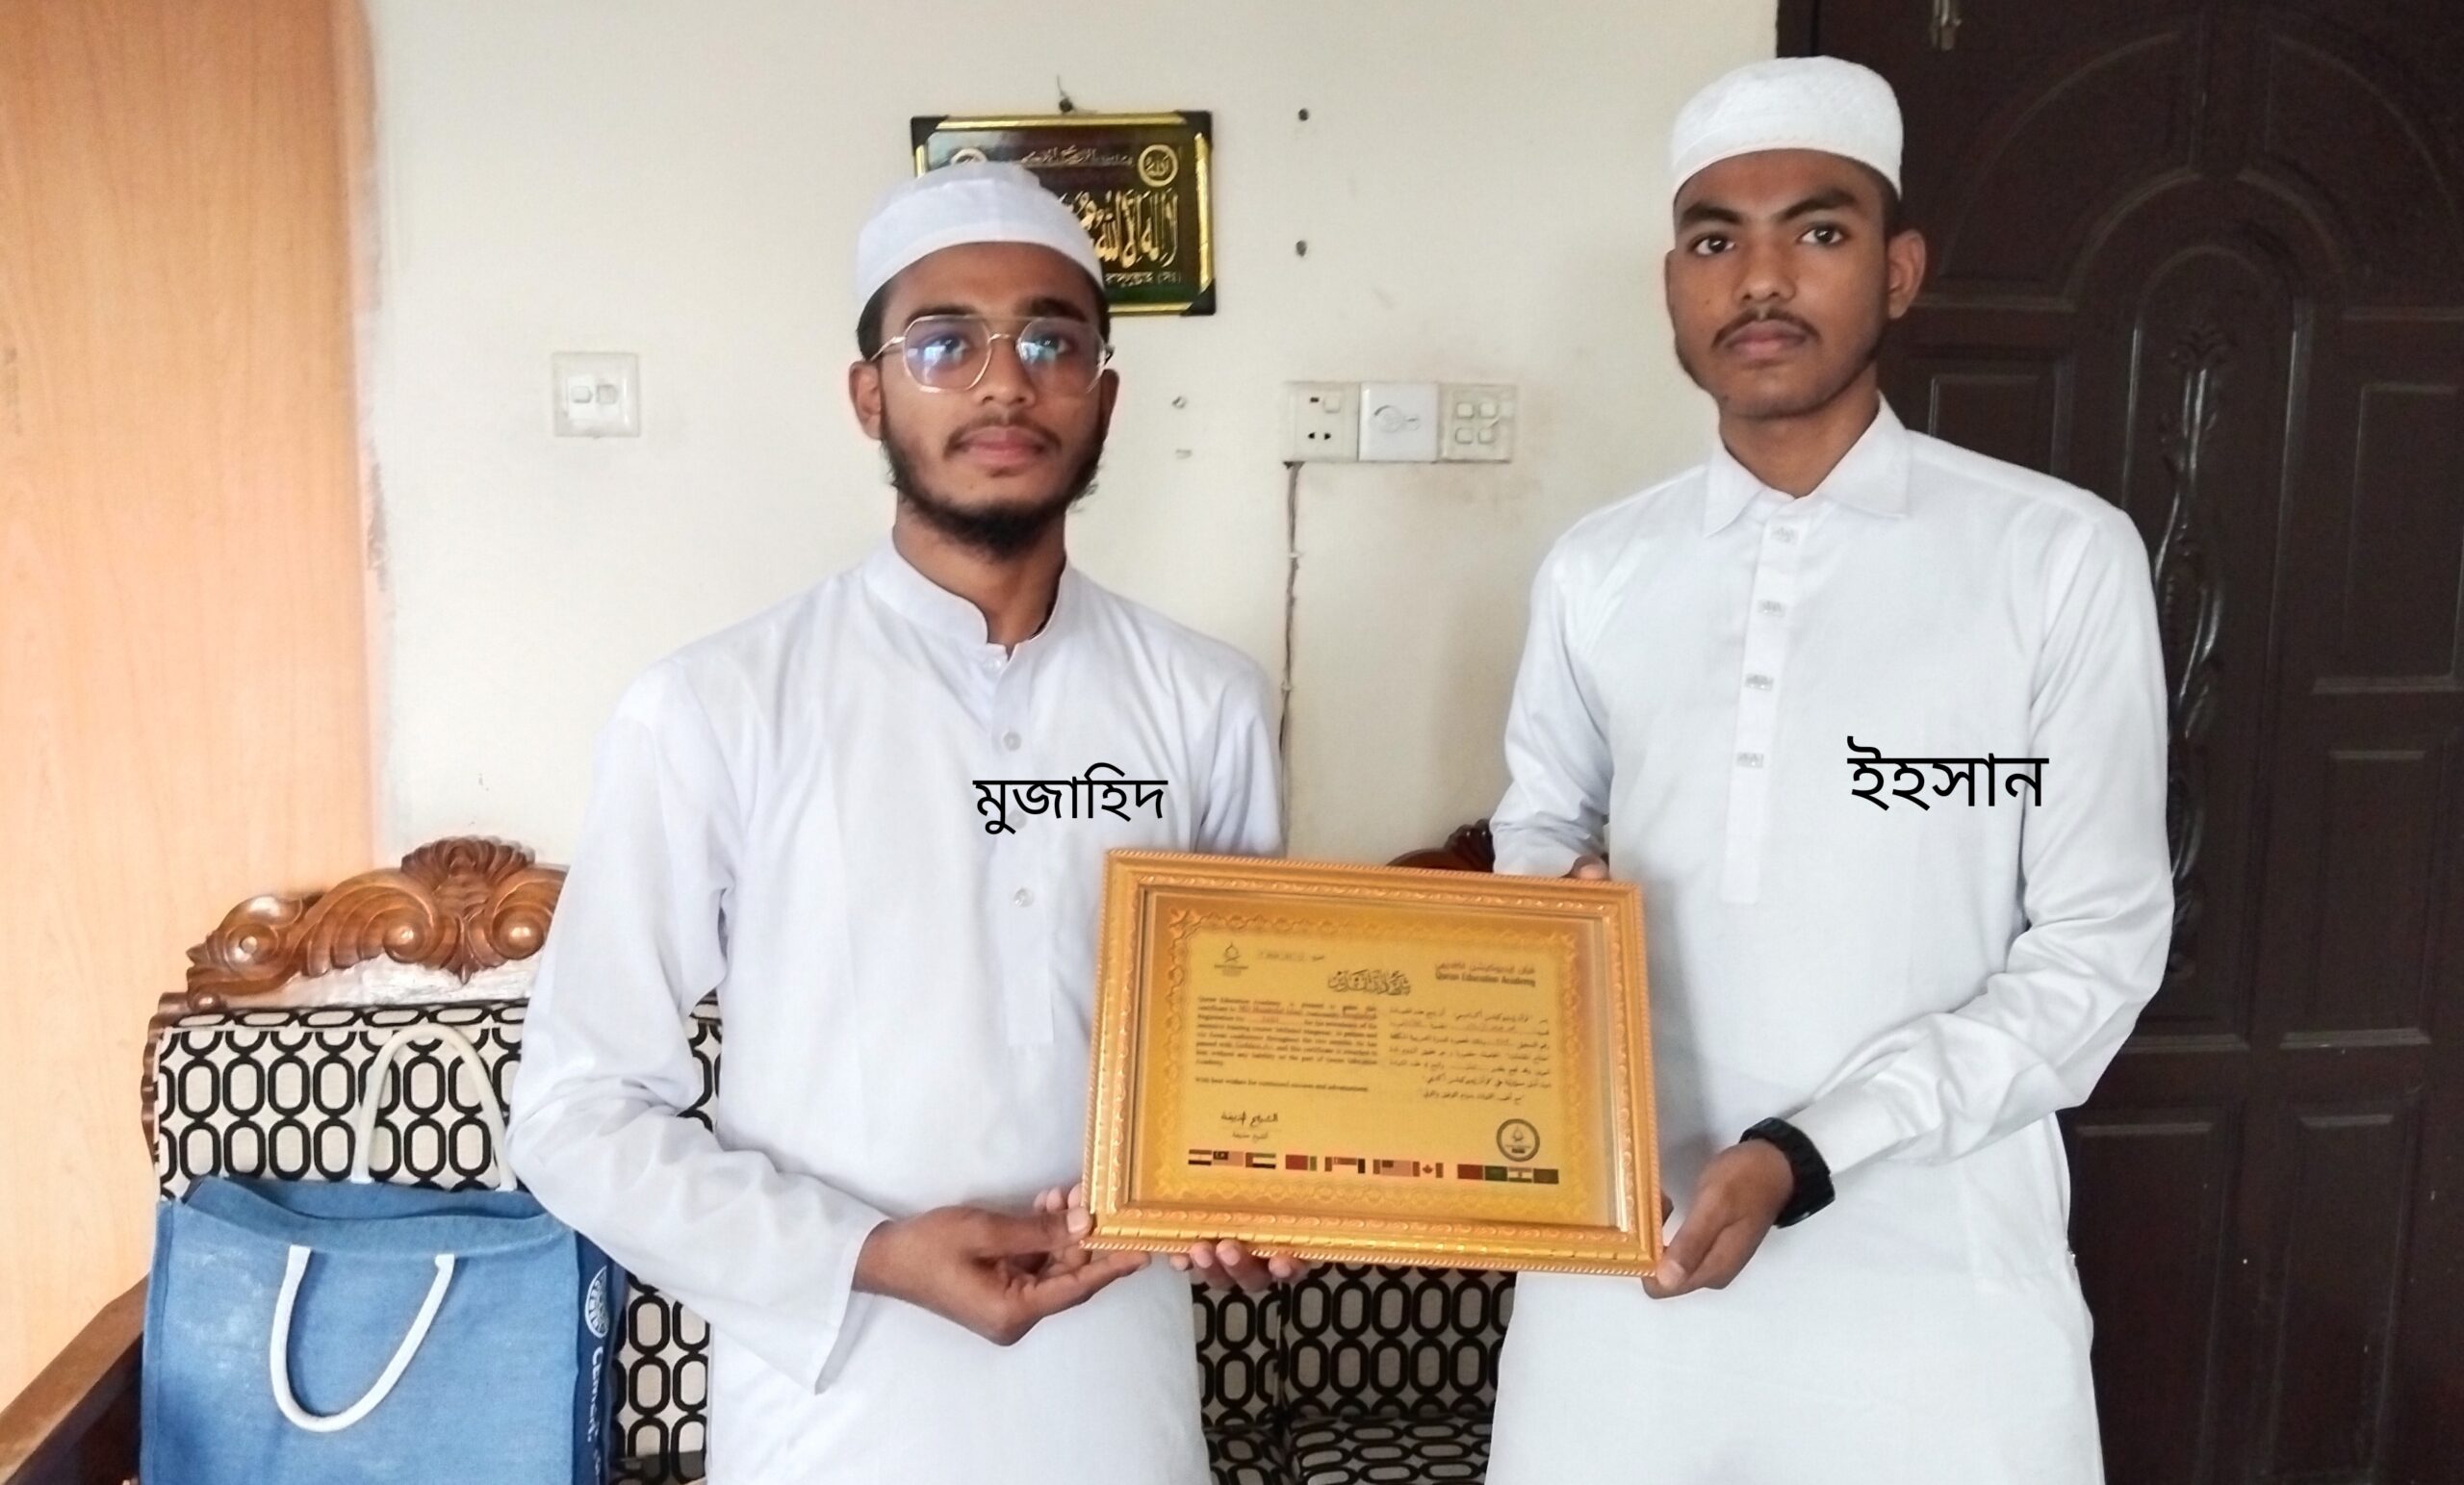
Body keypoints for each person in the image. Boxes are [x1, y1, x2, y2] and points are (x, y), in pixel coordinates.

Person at [509, 162, 1295, 1485]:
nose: (1004, 384)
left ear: (1103, 396)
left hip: (1117, 1393)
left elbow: (1244, 1067)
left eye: (1051, 342)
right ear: (870, 395)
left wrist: (1259, 1200)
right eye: (943, 344)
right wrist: (868, 1253)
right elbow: (576, 1111)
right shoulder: (715, 706)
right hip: (832, 1402)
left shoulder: (1205, 702)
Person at [1482, 58, 2171, 1484]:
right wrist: (1552, 906)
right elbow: (1540, 826)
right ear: (1672, 284)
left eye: (1819, 229)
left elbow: (2098, 953)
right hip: (1630, 1263)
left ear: (1899, 271)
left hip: (1941, 1286)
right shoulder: (1600, 570)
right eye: (1714, 239)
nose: (1761, 279)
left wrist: (1808, 1149)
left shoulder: (2054, 558)